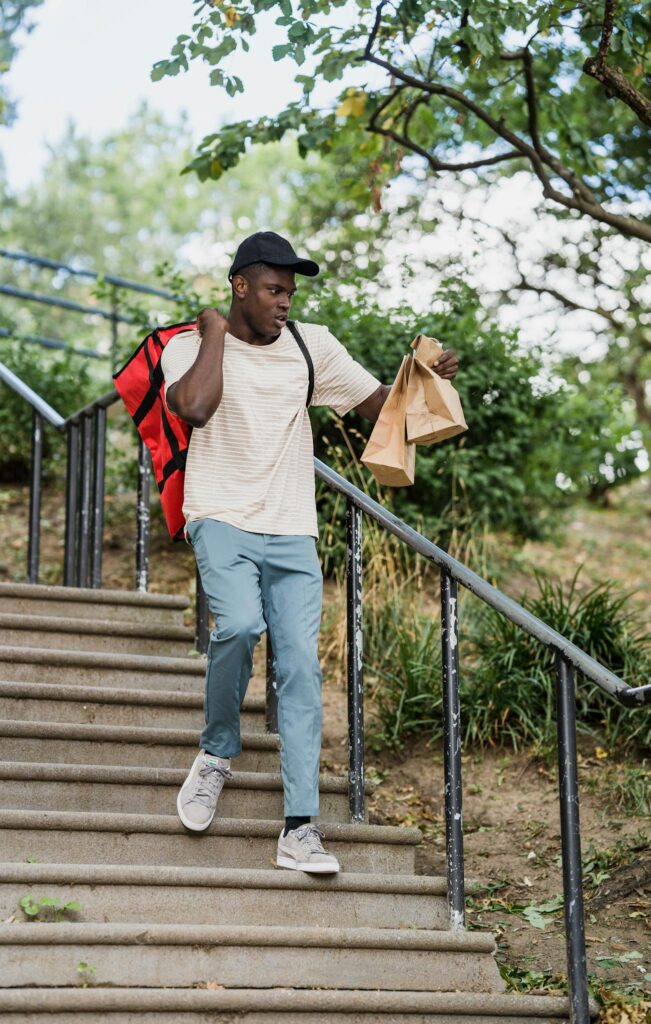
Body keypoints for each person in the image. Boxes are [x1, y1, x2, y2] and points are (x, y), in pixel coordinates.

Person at [161, 231, 458, 874]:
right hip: (219, 515)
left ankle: (299, 828)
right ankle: (217, 753)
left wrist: (421, 385)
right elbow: (194, 408)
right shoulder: (190, 346)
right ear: (240, 285)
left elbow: (385, 411)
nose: (284, 302)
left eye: (290, 292)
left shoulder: (310, 345)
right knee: (237, 626)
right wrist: (215, 334)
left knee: (300, 669)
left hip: (293, 527)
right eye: (273, 289)